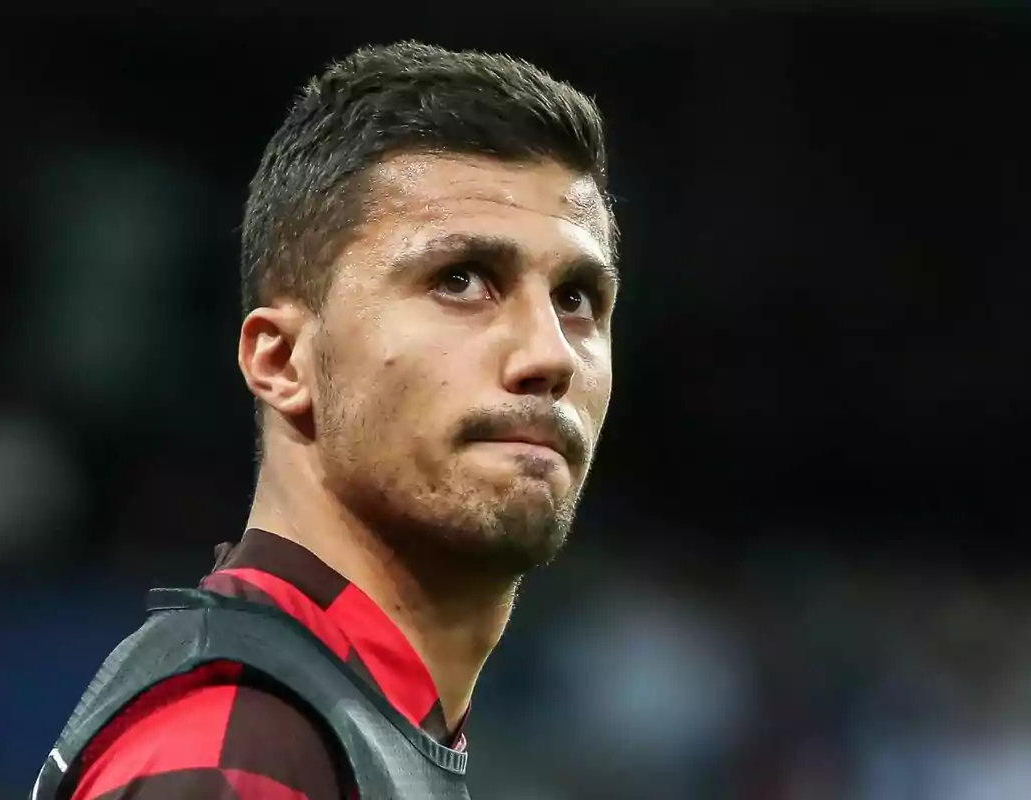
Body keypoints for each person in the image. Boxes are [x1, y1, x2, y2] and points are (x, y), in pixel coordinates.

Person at [31, 40, 620, 800]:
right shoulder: (239, 750)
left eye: (575, 298)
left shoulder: (340, 727)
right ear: (281, 362)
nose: (549, 354)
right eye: (461, 280)